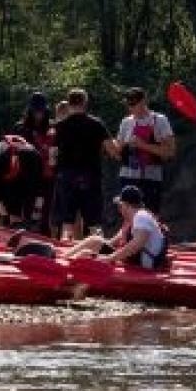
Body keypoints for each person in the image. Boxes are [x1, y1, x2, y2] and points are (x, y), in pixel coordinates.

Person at [52, 88, 118, 240]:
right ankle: (100, 250)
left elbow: (53, 155)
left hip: (67, 177)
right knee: (94, 222)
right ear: (85, 102)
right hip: (90, 176)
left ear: (68, 104)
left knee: (67, 222)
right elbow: (112, 150)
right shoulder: (96, 124)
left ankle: (65, 254)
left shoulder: (60, 126)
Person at [64, 184, 169, 269]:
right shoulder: (132, 219)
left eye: (121, 205)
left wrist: (109, 258)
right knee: (95, 240)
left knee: (85, 254)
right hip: (137, 258)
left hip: (145, 263)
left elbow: (136, 245)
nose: (119, 209)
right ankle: (65, 258)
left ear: (127, 205)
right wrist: (94, 246)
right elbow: (110, 243)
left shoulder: (141, 217)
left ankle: (65, 265)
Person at [115, 86, 176, 214]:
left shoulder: (160, 120)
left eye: (133, 104)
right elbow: (117, 152)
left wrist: (143, 145)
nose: (130, 108)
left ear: (143, 101)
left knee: (151, 216)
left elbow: (170, 152)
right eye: (129, 105)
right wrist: (121, 145)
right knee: (128, 217)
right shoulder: (126, 122)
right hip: (128, 177)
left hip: (151, 177)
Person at [10, 92, 56, 234]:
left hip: (47, 175)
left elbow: (57, 149)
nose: (38, 115)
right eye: (36, 111)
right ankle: (25, 232)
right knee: (28, 209)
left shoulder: (52, 127)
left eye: (41, 111)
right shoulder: (20, 128)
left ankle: (44, 234)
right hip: (27, 176)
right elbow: (13, 152)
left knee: (45, 210)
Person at [0, 133, 43, 230]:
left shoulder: (36, 160)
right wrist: (5, 215)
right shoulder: (2, 157)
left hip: (15, 179)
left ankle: (14, 229)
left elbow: (38, 191)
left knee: (16, 213)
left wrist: (34, 217)